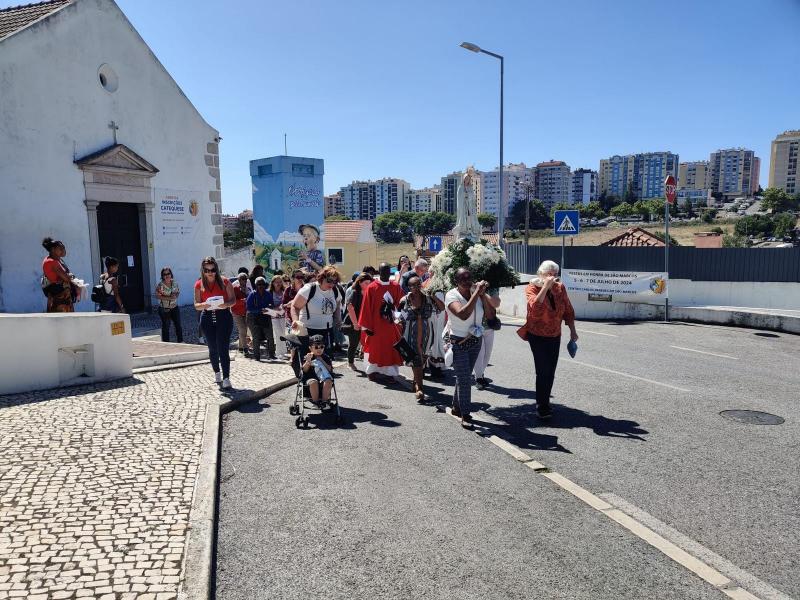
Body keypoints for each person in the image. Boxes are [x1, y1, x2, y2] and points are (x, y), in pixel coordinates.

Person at [516, 260, 578, 419]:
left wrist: (573, 331)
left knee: (550, 371)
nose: (552, 277)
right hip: (537, 335)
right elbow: (535, 309)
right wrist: (545, 287)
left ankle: (545, 401)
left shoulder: (560, 288)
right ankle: (542, 405)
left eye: (554, 274)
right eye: (548, 274)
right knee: (543, 370)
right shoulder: (532, 287)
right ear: (540, 274)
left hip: (555, 334)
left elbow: (568, 310)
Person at [445, 267, 496, 429]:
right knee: (465, 379)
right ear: (456, 282)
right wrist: (476, 294)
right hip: (459, 340)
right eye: (463, 280)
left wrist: (483, 296)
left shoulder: (477, 294)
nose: (467, 282)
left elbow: (490, 316)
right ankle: (465, 414)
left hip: (476, 339)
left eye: (469, 278)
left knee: (465, 375)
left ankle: (456, 406)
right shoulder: (452, 295)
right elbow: (463, 314)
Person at [194, 256, 236, 389]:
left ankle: (226, 377)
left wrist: (225, 305)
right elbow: (196, 305)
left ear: (216, 269)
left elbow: (233, 300)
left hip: (223, 315)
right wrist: (204, 305)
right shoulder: (198, 284)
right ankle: (217, 372)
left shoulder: (225, 281)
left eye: (212, 270)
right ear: (203, 271)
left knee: (223, 347)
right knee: (212, 347)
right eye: (206, 270)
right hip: (207, 316)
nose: (210, 273)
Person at [359, 263, 404, 383]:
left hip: (391, 325)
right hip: (376, 326)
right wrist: (366, 327)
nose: (385, 273)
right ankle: (371, 371)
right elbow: (366, 307)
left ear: (390, 272)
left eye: (387, 271)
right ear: (379, 272)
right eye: (383, 271)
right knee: (375, 349)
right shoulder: (372, 287)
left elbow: (401, 304)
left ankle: (390, 374)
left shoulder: (396, 286)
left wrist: (398, 317)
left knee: (391, 349)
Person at [398, 276, 436, 402]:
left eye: (418, 285)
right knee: (416, 360)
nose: (415, 288)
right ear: (408, 287)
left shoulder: (428, 299)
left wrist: (434, 295)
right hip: (410, 334)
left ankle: (416, 380)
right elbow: (398, 316)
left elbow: (441, 308)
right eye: (412, 286)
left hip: (426, 334)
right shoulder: (405, 300)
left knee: (422, 358)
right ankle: (420, 388)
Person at [291, 265, 342, 357]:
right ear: (321, 278)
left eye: (335, 282)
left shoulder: (335, 290)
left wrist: (338, 319)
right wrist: (295, 320)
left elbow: (338, 304)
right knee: (308, 360)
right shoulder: (309, 289)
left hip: (327, 331)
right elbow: (295, 306)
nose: (332, 284)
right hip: (308, 331)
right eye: (329, 281)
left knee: (326, 359)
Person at [343, 272, 373, 370]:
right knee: (354, 344)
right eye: (366, 283)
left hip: (365, 322)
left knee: (367, 343)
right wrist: (355, 324)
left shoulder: (369, 293)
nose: (368, 285)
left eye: (369, 283)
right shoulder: (355, 293)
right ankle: (350, 362)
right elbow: (350, 308)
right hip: (355, 322)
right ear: (360, 282)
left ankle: (368, 363)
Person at [474, 291, 502, 390]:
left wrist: (483, 293)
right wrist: (477, 290)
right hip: (476, 327)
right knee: (480, 354)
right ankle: (478, 378)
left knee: (487, 353)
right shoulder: (472, 288)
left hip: (489, 327)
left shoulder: (492, 289)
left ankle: (480, 374)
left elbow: (496, 304)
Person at [41, 237, 78, 312]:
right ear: (53, 250)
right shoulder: (51, 262)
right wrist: (70, 276)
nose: (63, 250)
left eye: (63, 247)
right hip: (59, 297)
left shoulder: (57, 260)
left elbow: (67, 274)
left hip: (62, 297)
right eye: (60, 248)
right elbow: (67, 278)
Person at [246, 276, 276, 361]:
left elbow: (272, 304)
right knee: (256, 337)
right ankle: (257, 356)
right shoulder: (252, 294)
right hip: (254, 317)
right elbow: (249, 308)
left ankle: (271, 354)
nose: (261, 286)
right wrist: (260, 310)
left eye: (262, 284)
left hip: (266, 317)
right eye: (259, 284)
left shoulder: (268, 294)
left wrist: (269, 308)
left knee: (270, 336)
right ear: (256, 285)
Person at [301, 334, 335, 405]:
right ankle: (316, 402)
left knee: (329, 381)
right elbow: (304, 370)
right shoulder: (308, 356)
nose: (319, 349)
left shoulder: (326, 357)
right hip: (310, 378)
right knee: (313, 382)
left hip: (324, 377)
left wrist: (322, 361)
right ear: (310, 348)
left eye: (321, 347)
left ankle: (324, 402)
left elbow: (330, 370)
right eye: (316, 347)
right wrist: (308, 362)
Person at [155, 267, 183, 342]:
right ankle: (166, 344)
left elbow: (177, 292)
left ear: (171, 274)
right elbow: (157, 296)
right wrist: (169, 298)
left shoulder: (174, 283)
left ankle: (181, 342)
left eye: (168, 273)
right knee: (166, 327)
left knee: (178, 325)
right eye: (165, 274)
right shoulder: (161, 285)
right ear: (162, 276)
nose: (167, 275)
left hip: (174, 307)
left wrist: (176, 295)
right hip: (164, 309)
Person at [231, 272, 251, 356]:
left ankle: (240, 347)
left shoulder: (248, 289)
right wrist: (243, 301)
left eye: (245, 279)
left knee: (243, 330)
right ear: (238, 280)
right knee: (242, 329)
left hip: (246, 312)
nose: (244, 280)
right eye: (242, 279)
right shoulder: (234, 289)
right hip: (236, 312)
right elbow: (233, 302)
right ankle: (245, 349)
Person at [269, 275, 288, 359]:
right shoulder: (269, 292)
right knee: (278, 333)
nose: (279, 284)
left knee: (283, 333)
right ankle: (279, 352)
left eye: (280, 282)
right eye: (277, 282)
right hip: (273, 315)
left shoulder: (285, 291)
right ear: (273, 283)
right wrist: (274, 307)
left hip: (283, 315)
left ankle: (283, 352)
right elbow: (267, 304)